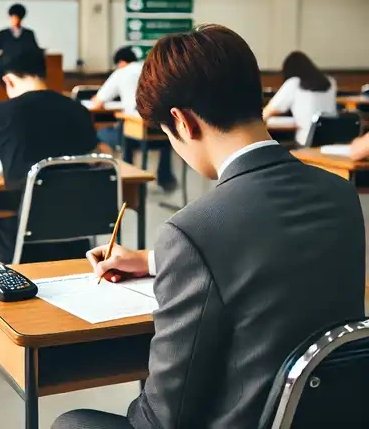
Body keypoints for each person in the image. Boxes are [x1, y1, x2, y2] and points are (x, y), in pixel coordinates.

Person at [53, 26, 365, 429]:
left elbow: (162, 419)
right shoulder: (340, 195)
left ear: (182, 123)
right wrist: (152, 258)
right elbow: (266, 248)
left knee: (72, 422)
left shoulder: (193, 228)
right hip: (330, 416)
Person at [0, 50, 98, 265]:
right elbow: (100, 159)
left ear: (7, 80)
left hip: (19, 240)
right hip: (77, 240)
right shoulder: (79, 110)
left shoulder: (1, 113)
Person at [90, 46, 177, 192]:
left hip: (135, 130)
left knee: (101, 134)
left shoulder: (121, 71)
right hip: (160, 131)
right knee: (156, 138)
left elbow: (98, 101)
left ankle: (122, 179)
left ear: (121, 62)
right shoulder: (150, 68)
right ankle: (165, 178)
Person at [263, 51, 337, 146]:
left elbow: (266, 113)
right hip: (331, 141)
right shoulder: (331, 82)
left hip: (305, 143)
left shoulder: (293, 83)